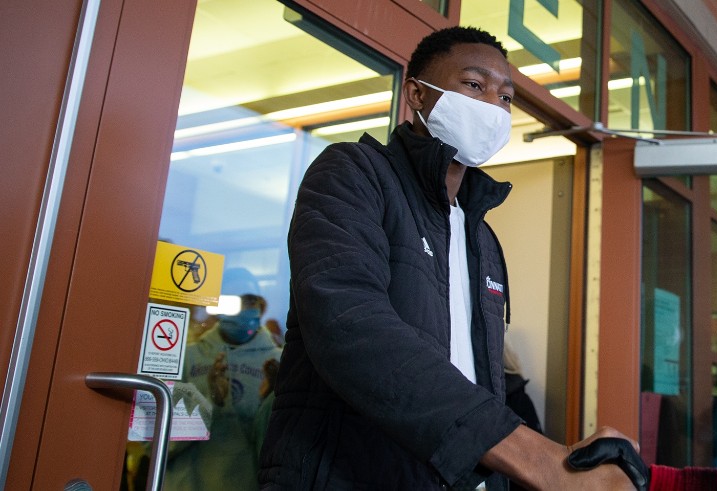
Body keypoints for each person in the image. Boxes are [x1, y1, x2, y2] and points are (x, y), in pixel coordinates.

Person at [258, 26, 635, 490]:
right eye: (474, 85)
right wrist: (538, 460)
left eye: (505, 98)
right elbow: (350, 326)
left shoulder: (484, 239)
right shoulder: (354, 175)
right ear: (417, 94)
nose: (493, 107)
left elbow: (483, 384)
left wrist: (569, 461)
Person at [167, 294, 282, 490]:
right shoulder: (186, 358)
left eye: (250, 302)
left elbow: (286, 455)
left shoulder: (280, 364)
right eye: (237, 302)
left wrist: (269, 403)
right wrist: (210, 401)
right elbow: (158, 444)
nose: (243, 309)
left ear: (260, 308)